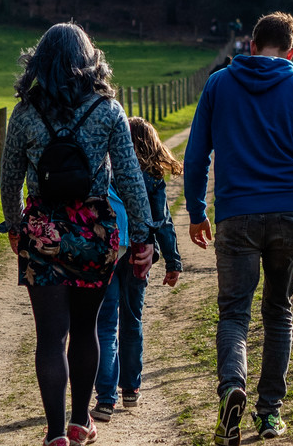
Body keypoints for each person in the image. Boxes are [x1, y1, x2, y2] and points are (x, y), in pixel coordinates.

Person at [184, 12, 293, 445]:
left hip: (236, 215)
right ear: (292, 51)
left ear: (252, 45)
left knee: (234, 313)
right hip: (290, 214)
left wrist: (197, 211)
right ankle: (270, 413)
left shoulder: (219, 85)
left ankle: (231, 387)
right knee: (279, 312)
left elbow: (196, 155)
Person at [0, 22, 155, 446]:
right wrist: (142, 237)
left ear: (40, 62)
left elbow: (8, 178)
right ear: (89, 62)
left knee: (50, 336)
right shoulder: (108, 110)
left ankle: (53, 433)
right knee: (86, 330)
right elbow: (129, 179)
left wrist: (15, 227)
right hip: (94, 231)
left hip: (42, 229)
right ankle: (80, 420)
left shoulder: (26, 114)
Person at [91, 117, 183, 423]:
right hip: (138, 254)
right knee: (132, 320)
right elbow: (163, 222)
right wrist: (173, 262)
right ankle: (130, 387)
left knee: (105, 324)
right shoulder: (152, 175)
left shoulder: (106, 169)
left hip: (108, 250)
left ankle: (105, 398)